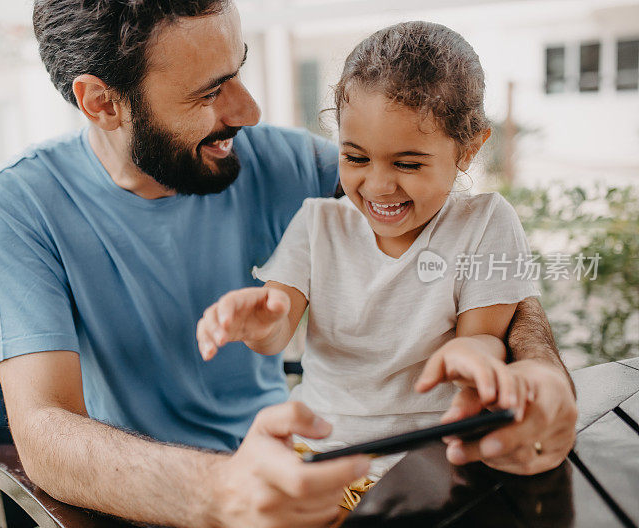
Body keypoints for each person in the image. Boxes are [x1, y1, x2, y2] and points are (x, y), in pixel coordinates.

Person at [0, 1, 577, 528]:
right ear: (102, 102)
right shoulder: (20, 204)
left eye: (239, 71)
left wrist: (542, 373)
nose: (250, 110)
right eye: (210, 92)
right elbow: (43, 430)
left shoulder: (288, 166)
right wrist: (222, 493)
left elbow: (458, 248)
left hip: (324, 480)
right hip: (160, 511)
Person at [196, 22, 543, 502]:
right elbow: (277, 327)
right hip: (320, 455)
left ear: (468, 149)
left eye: (407, 164)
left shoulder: (485, 223)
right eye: (355, 157)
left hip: (430, 461)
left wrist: (472, 357)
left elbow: (483, 335)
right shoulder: (318, 225)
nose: (378, 186)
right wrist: (258, 323)